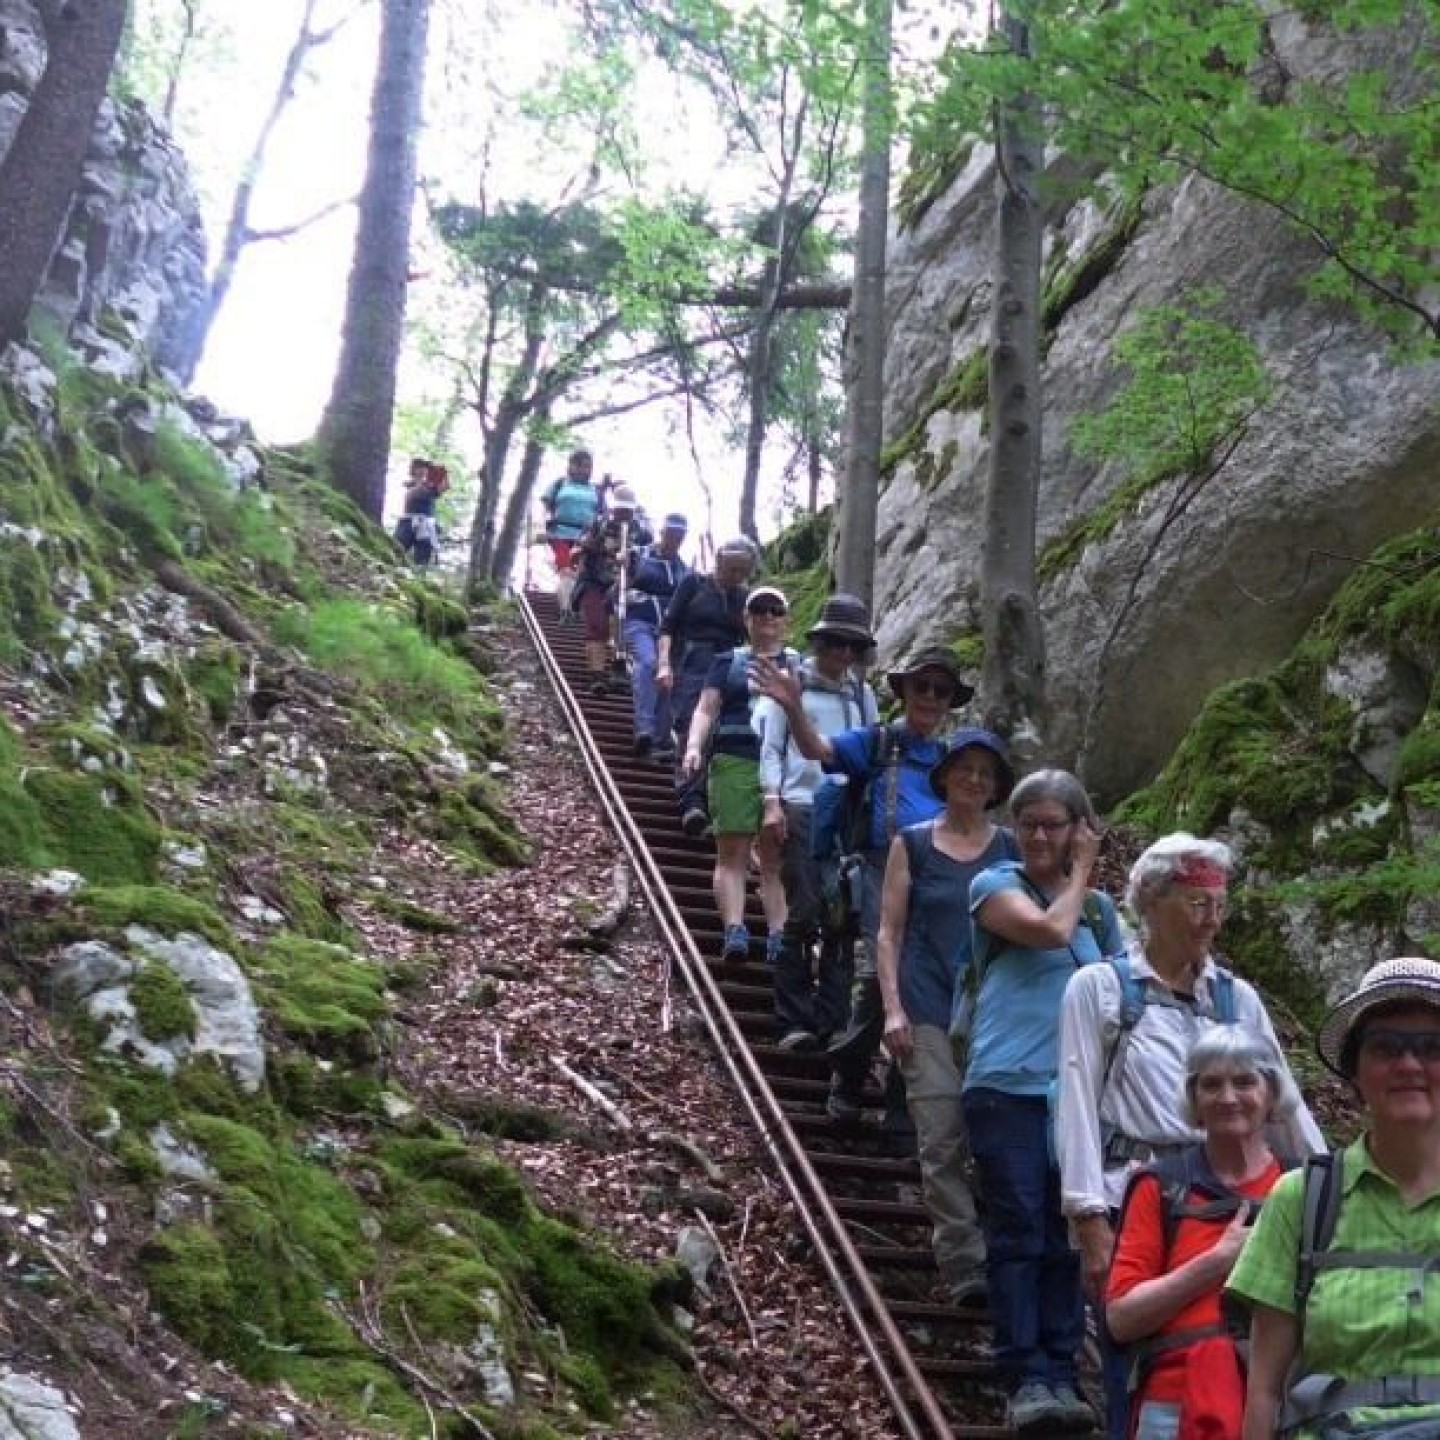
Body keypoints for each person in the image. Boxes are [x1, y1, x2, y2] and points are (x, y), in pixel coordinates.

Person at [1058, 832, 1326, 1438]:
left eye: (1219, 904)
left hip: (1234, 1198)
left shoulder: (1237, 1000)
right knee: (1133, 1368)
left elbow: (1283, 1104)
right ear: (1151, 900)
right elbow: (1074, 1100)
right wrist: (1087, 1217)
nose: (1212, 919)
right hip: (1132, 1198)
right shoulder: (1100, 989)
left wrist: (1332, 1187)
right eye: (1197, 902)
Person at [752, 646, 974, 1126]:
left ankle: (899, 1104)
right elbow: (820, 751)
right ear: (905, 691)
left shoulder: (952, 760)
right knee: (879, 977)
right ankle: (850, 1071)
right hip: (879, 871)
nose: (931, 698)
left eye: (942, 690)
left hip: (935, 881)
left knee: (924, 988)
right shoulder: (879, 743)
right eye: (923, 687)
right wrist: (791, 706)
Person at [963, 769, 1122, 1435]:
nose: (1036, 834)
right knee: (1020, 1227)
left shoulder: (1099, 912)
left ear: (1076, 828)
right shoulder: (994, 886)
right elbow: (1048, 933)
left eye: (1052, 823)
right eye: (1027, 822)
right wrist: (1082, 868)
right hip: (1005, 1085)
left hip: (1076, 1096)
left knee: (1067, 1234)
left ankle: (1061, 1367)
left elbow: (1124, 994)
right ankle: (1024, 1371)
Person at [1230, 956, 1440, 1440]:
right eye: (1386, 1048)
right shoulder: (1304, 1199)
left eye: (1431, 1048)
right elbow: (1264, 1390)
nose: (1409, 1064)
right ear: (1354, 1072)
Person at [876, 727, 1020, 1307]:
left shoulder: (1009, 848)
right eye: (965, 769)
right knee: (939, 1135)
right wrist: (891, 1009)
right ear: (945, 776)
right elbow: (889, 931)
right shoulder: (912, 844)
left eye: (986, 774)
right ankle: (963, 1262)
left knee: (991, 1140)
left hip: (996, 1017)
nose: (975, 780)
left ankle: (1002, 1250)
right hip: (929, 1005)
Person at [1105, 1028, 1303, 1440]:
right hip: (1172, 1406)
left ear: (1271, 1096)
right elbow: (1121, 1318)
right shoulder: (1160, 1187)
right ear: (1195, 1104)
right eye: (1211, 1085)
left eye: (1245, 1081)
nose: (1228, 1097)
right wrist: (1218, 1261)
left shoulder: (1303, 1189)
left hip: (1283, 1403)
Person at [754, 594, 880, 1050]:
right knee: (804, 910)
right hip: (801, 804)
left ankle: (832, 1021)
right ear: (820, 642)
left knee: (843, 918)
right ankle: (793, 1020)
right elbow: (771, 747)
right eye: (834, 644)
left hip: (846, 812)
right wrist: (772, 802)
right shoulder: (793, 685)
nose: (842, 655)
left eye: (851, 646)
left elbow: (870, 752)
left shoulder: (862, 696)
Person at [681, 586, 795, 964]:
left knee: (774, 856)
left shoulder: (797, 665)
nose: (767, 617)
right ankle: (735, 927)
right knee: (733, 850)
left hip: (780, 763)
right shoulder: (727, 661)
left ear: (785, 620)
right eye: (759, 610)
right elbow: (706, 707)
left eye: (775, 610)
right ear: (746, 619)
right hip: (734, 758)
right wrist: (695, 746)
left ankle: (779, 933)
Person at [659, 538, 757, 838]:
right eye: (731, 568)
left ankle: (713, 799)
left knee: (720, 730)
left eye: (742, 570)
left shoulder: (744, 598)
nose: (735, 575)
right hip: (693, 659)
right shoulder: (694, 583)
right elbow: (669, 625)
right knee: (691, 725)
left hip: (730, 664)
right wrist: (663, 663)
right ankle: (692, 801)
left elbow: (752, 636)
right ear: (719, 562)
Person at [624, 513, 690, 762]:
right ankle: (645, 730)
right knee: (649, 664)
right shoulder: (638, 555)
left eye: (679, 535)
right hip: (639, 620)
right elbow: (618, 584)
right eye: (670, 533)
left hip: (670, 631)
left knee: (667, 679)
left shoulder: (684, 570)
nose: (674, 539)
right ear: (662, 532)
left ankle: (661, 738)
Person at [571, 484, 649, 694]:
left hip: (626, 585)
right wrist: (594, 546)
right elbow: (577, 550)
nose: (623, 514)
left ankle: (620, 667)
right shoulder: (598, 523)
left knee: (621, 626)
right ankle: (597, 675)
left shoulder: (641, 531)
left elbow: (649, 557)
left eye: (627, 510)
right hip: (594, 580)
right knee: (597, 626)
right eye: (619, 509)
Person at [540, 449, 601, 607]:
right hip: (560, 533)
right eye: (583, 466)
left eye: (589, 467)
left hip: (585, 538)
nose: (587, 470)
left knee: (578, 573)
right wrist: (542, 528)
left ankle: (571, 606)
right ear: (572, 466)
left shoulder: (596, 490)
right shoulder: (560, 484)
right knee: (565, 570)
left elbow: (602, 515)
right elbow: (545, 507)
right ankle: (566, 609)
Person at [395, 458, 447, 567]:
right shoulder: (410, 485)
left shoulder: (432, 486)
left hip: (425, 524)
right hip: (407, 522)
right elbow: (412, 493)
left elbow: (443, 487)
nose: (421, 470)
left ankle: (419, 576)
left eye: (423, 468)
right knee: (397, 550)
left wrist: (441, 472)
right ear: (413, 470)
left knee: (422, 557)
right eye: (418, 468)